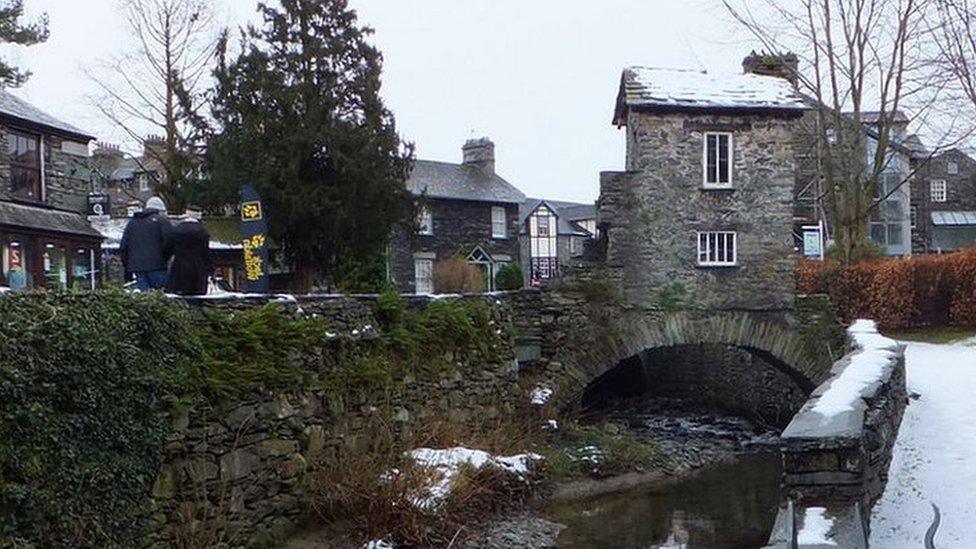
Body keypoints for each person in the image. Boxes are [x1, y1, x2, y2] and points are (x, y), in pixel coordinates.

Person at [119, 196, 172, 291]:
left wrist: (128, 265)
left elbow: (123, 247)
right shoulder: (162, 222)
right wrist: (165, 257)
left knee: (144, 300)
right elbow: (169, 243)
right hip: (158, 266)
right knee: (162, 298)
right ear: (161, 210)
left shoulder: (132, 223)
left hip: (137, 268)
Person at [166, 205, 211, 296]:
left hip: (179, 267)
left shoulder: (176, 230)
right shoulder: (202, 232)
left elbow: (169, 248)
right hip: (198, 268)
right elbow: (206, 253)